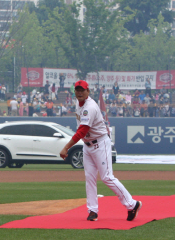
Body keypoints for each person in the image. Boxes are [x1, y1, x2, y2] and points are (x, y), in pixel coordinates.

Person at [59, 80, 142, 222]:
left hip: (100, 143)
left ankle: (132, 204)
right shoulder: (78, 104)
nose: (79, 92)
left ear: (88, 91)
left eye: (82, 90)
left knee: (107, 177)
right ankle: (92, 211)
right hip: (88, 145)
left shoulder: (89, 107)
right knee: (89, 177)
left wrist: (66, 147)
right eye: (77, 90)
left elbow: (82, 131)